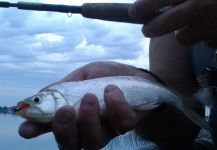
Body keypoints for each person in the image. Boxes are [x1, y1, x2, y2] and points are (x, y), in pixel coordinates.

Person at [18, 0, 217, 149]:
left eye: (37, 100)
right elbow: (180, 136)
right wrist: (153, 109)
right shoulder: (168, 9)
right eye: (37, 100)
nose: (33, 104)